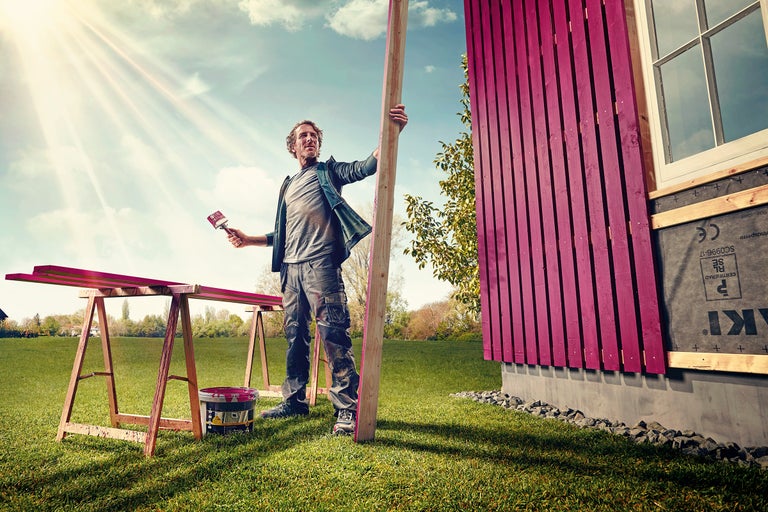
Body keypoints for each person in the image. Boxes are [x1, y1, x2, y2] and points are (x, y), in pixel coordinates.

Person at [227, 104, 408, 435]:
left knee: (334, 334)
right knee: (295, 337)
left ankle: (347, 408)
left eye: (313, 136)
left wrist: (391, 135)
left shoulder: (328, 172)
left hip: (321, 265)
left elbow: (365, 167)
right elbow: (282, 234)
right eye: (303, 136)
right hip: (290, 271)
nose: (309, 139)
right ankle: (294, 401)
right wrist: (248, 239)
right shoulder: (287, 186)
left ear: (318, 145)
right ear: (293, 146)